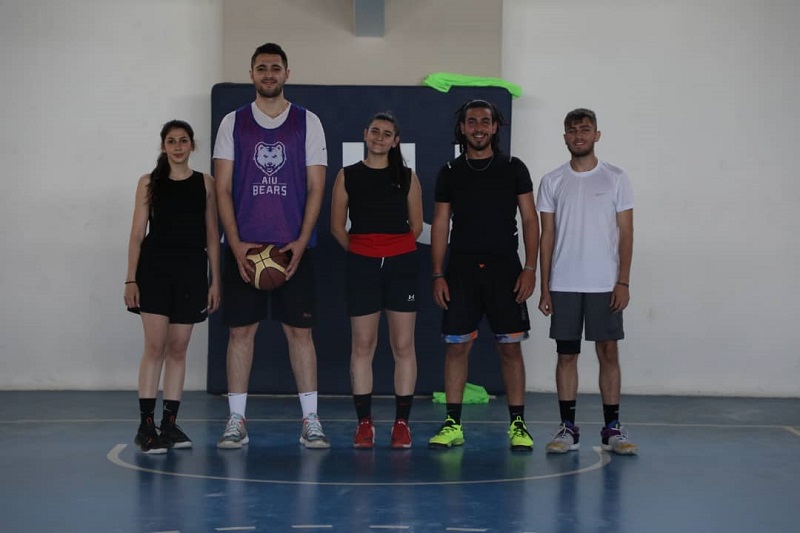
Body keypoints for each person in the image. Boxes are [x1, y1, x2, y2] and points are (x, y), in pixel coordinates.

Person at [213, 42, 330, 449]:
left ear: (286, 73)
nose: (268, 73)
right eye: (261, 67)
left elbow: (316, 187)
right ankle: (236, 420)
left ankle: (311, 420)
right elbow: (222, 188)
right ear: (251, 74)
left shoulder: (307, 121)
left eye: (275, 67)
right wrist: (235, 244)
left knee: (301, 333)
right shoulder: (233, 122)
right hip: (244, 248)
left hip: (292, 249)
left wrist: (301, 240)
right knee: (240, 333)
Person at [428, 99, 539, 451]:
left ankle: (518, 425)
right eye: (472, 121)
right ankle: (452, 424)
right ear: (462, 128)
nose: (478, 127)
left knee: (510, 348)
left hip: (505, 269)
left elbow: (530, 219)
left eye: (485, 121)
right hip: (461, 270)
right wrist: (437, 274)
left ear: (495, 127)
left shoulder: (514, 168)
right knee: (457, 348)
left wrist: (530, 268)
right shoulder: (449, 171)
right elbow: (441, 223)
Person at [537, 108, 637, 455]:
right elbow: (547, 236)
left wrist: (623, 281)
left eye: (584, 129)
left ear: (597, 135)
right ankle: (568, 428)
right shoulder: (552, 180)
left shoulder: (616, 178)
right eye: (572, 130)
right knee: (566, 355)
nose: (578, 135)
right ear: (564, 137)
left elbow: (626, 233)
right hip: (564, 283)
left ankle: (612, 429)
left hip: (605, 284)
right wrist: (545, 286)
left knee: (608, 352)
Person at [124, 119, 221, 454]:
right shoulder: (148, 182)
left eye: (183, 140)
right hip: (154, 271)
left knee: (179, 349)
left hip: (191, 272)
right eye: (171, 141)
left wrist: (215, 280)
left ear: (192, 145)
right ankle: (145, 426)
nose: (178, 146)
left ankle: (169, 424)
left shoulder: (205, 183)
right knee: (155, 347)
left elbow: (212, 236)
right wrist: (131, 278)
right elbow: (137, 234)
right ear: (163, 146)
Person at [330, 112, 423, 449]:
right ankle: (364, 424)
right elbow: (337, 227)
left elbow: (417, 226)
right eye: (375, 131)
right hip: (362, 266)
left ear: (395, 141)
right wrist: (364, 251)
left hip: (401, 266)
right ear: (365, 134)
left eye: (387, 134)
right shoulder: (348, 175)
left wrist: (390, 250)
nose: (379, 138)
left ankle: (402, 424)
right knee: (362, 345)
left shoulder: (408, 177)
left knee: (403, 345)